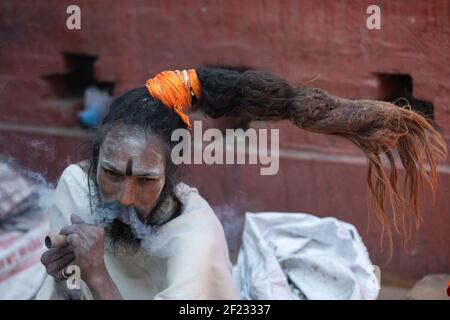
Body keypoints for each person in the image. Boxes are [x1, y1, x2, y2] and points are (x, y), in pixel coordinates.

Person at [37, 66, 446, 300]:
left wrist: (97, 277)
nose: (125, 198)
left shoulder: (194, 234)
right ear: (95, 157)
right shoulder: (77, 185)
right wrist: (66, 279)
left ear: (172, 171)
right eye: (110, 174)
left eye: (145, 180)